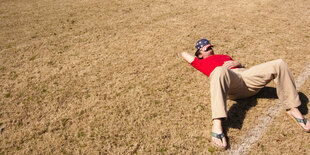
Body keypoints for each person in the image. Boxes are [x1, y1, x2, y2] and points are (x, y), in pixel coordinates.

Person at [181, 38, 310, 149]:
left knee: (279, 64)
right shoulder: (201, 62)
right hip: (232, 83)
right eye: (206, 48)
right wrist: (199, 49)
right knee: (219, 70)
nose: (210, 48)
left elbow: (240, 67)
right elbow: (184, 54)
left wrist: (237, 63)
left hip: (247, 76)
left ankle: (293, 108)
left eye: (210, 46)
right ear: (199, 54)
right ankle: (217, 124)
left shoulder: (224, 56)